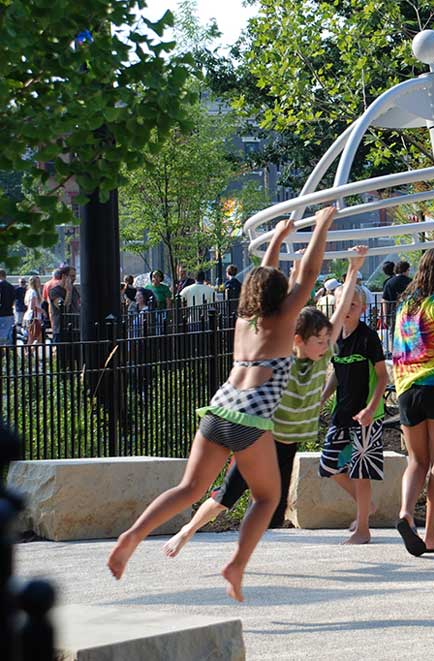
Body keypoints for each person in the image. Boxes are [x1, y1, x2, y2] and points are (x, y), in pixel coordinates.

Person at [107, 206, 338, 602]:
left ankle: (133, 535)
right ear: (280, 297)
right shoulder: (283, 321)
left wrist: (278, 241)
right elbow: (310, 274)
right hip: (250, 416)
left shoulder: (244, 320)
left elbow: (262, 280)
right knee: (268, 498)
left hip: (218, 408)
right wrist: (321, 225)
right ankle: (236, 565)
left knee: (190, 487)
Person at [163, 247, 369, 557]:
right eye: (319, 340)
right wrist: (298, 265)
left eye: (327, 340)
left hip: (288, 443)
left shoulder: (323, 351)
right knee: (225, 496)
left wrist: (353, 270)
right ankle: (187, 530)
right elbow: (283, 301)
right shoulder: (281, 353)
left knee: (271, 509)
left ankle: (240, 554)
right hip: (260, 437)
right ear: (297, 339)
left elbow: (338, 312)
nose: (325, 345)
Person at [319, 280, 389, 546]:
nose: (347, 309)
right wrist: (323, 398)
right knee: (328, 464)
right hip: (342, 412)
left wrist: (371, 409)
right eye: (342, 303)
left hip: (368, 414)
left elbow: (382, 377)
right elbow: (336, 373)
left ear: (363, 308)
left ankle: (363, 529)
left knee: (361, 471)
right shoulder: (336, 337)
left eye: (353, 304)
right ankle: (365, 506)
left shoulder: (368, 337)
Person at [389, 249, 434, 555]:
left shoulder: (405, 308)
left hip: (406, 388)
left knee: (417, 460)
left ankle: (405, 513)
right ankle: (433, 535)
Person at [47, 268, 80, 344]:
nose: (74, 279)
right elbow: (64, 309)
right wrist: (68, 291)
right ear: (64, 276)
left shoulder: (74, 289)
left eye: (75, 276)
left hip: (75, 328)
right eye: (72, 276)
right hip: (61, 330)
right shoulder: (54, 292)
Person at [22, 276, 43, 345]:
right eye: (38, 282)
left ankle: (29, 352)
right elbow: (32, 306)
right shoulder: (33, 292)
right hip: (33, 317)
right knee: (33, 338)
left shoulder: (29, 291)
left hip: (29, 316)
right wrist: (42, 311)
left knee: (36, 338)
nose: (40, 283)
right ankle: (28, 353)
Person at [0, 269, 15, 346]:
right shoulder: (11, 287)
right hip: (9, 313)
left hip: (1, 313)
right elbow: (13, 301)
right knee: (9, 335)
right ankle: (9, 354)